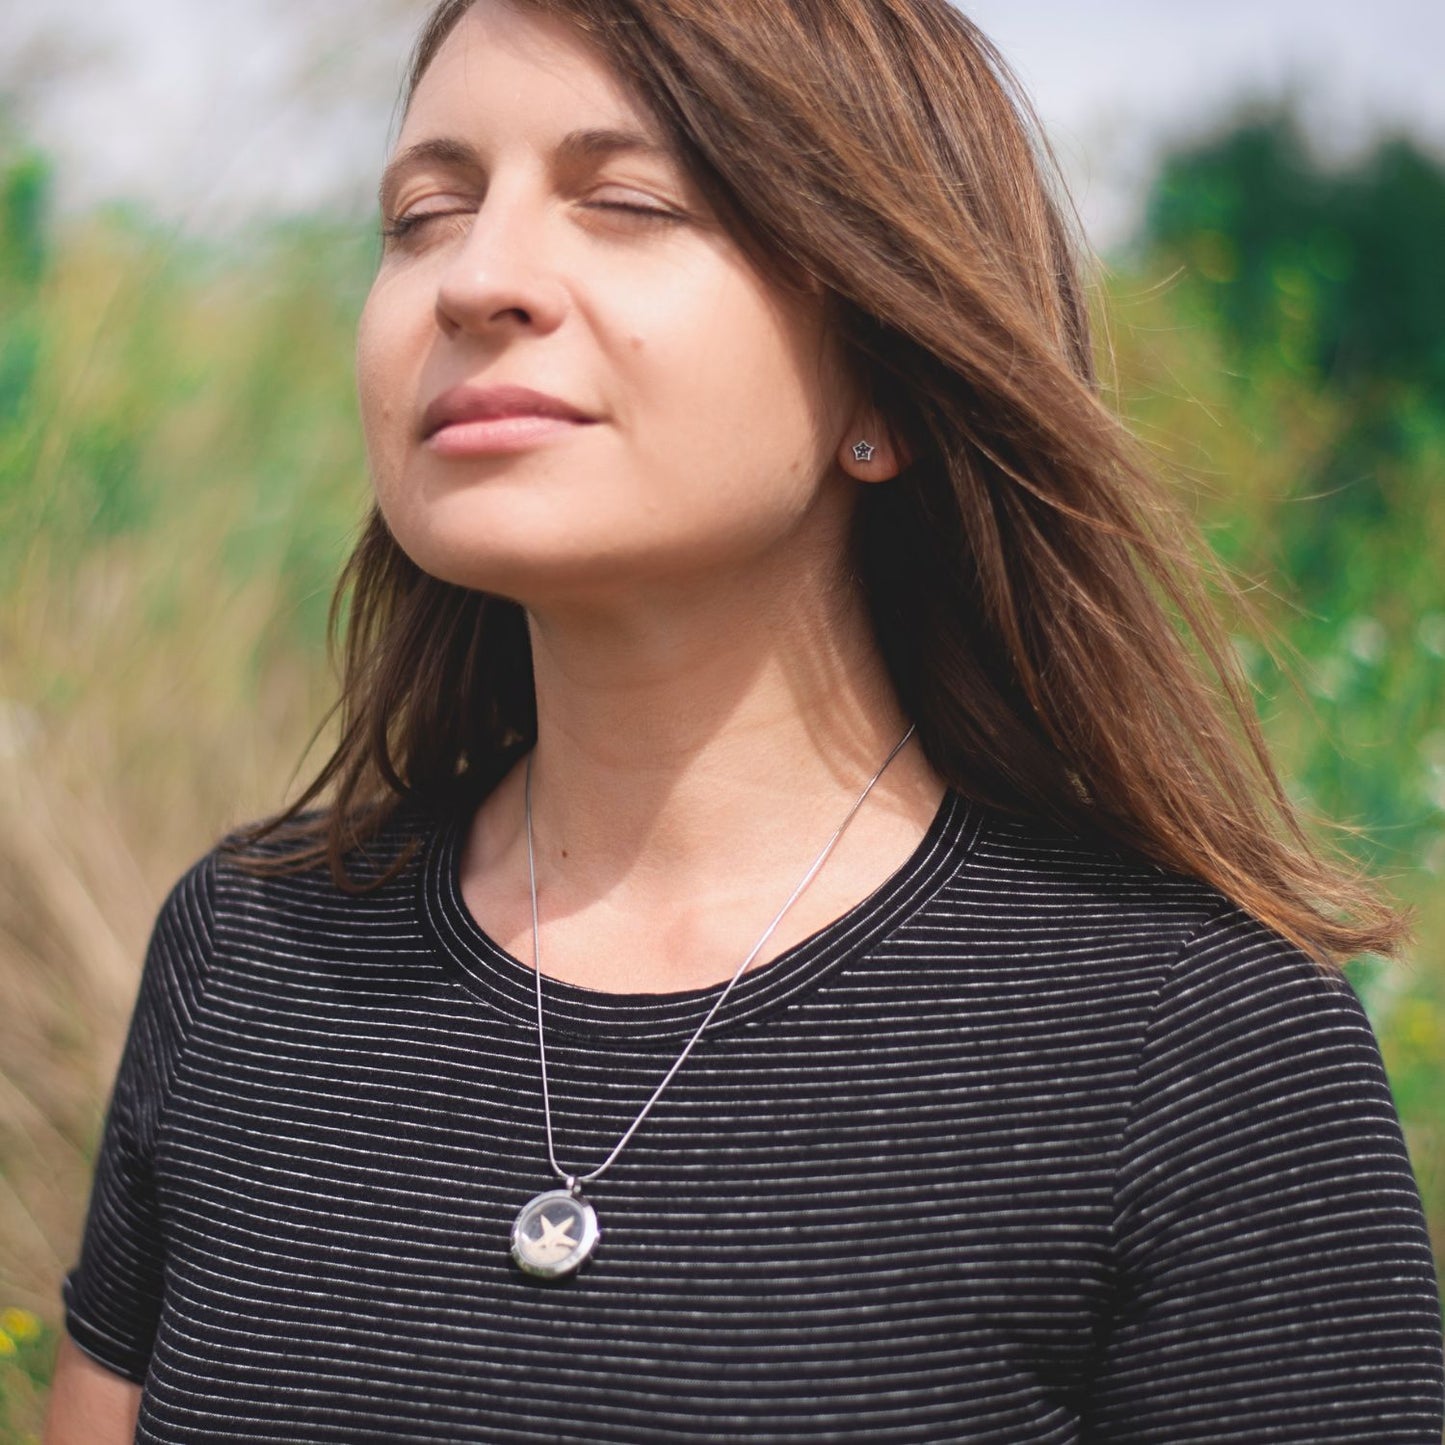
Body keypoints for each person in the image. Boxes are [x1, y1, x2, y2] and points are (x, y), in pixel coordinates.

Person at [45, 0, 1445, 1440]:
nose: (477, 277)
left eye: (630, 201)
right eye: (423, 212)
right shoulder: (251, 957)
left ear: (886, 378)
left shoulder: (1199, 1052)